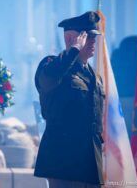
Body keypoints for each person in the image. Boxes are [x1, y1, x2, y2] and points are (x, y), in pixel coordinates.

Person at [34, 11, 105, 188]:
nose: (93, 41)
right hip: (64, 162)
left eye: (94, 37)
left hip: (91, 162)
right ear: (71, 38)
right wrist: (73, 50)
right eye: (87, 37)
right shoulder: (51, 65)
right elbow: (49, 79)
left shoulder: (93, 75)